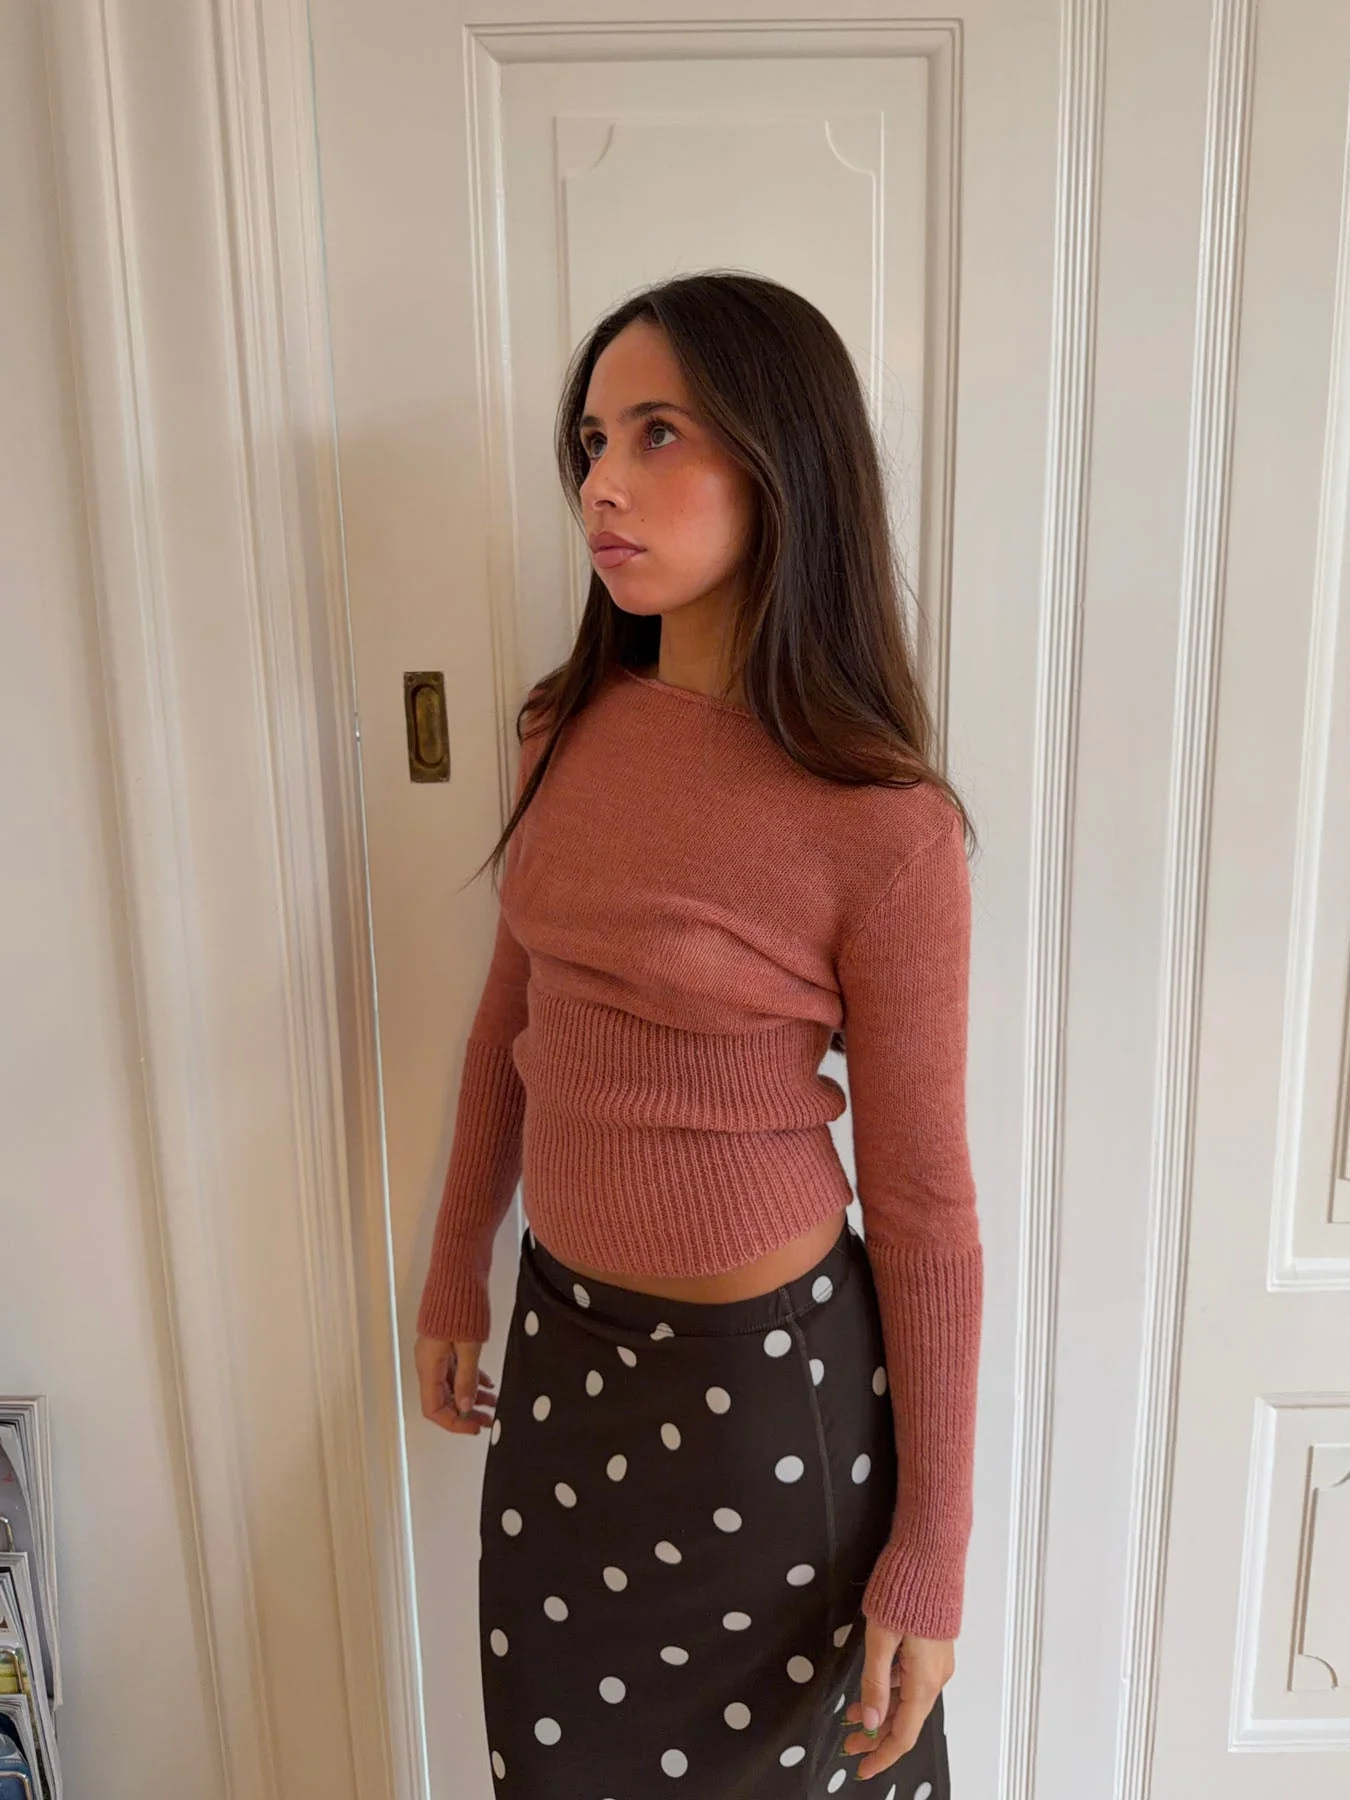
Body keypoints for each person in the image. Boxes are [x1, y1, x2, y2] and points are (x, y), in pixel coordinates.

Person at [413, 270, 983, 1797]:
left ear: (784, 460)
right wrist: (456, 1260)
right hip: (560, 1352)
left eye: (657, 432)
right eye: (592, 440)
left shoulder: (884, 827)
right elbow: (510, 1018)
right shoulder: (565, 729)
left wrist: (930, 1554)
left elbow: (924, 1207)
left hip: (764, 1399)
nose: (600, 482)